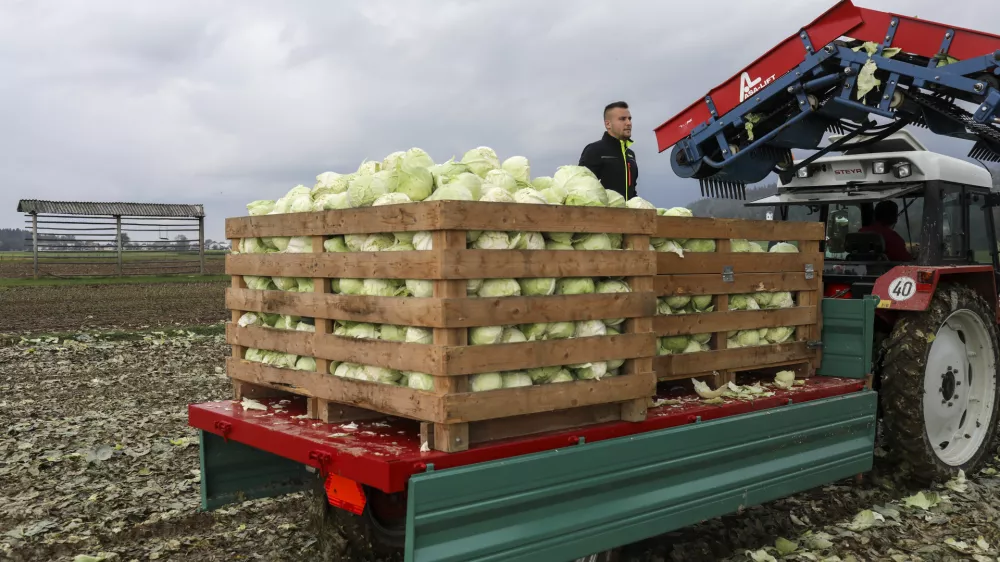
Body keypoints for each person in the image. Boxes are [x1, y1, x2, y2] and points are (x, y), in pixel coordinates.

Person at [579, 101, 639, 200]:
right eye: (622, 119)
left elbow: (632, 191)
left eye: (629, 119)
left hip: (627, 214)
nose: (628, 123)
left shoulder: (630, 154)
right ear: (608, 124)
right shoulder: (594, 150)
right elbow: (581, 188)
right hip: (601, 214)